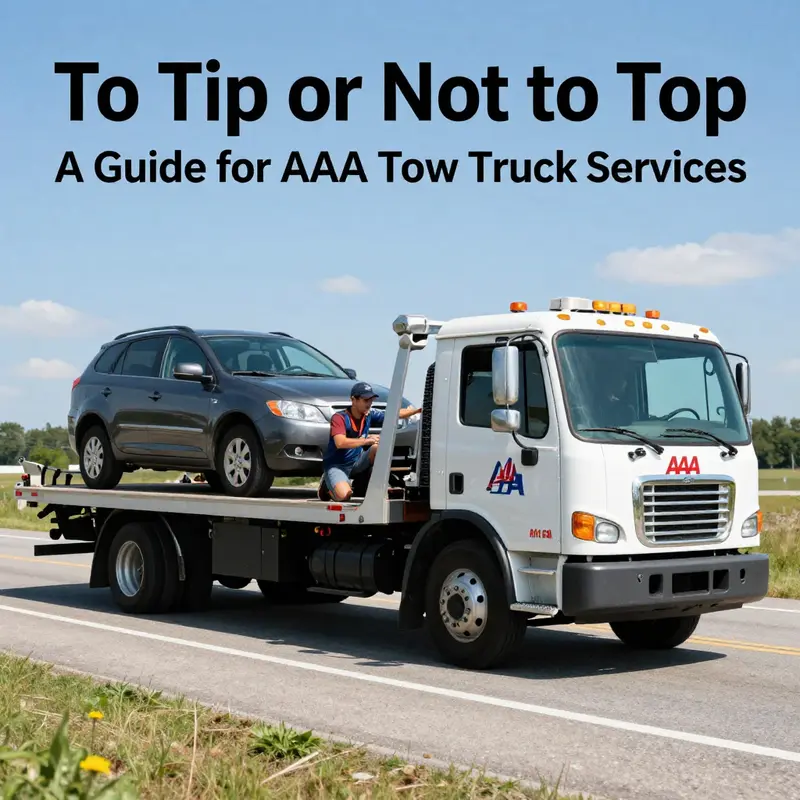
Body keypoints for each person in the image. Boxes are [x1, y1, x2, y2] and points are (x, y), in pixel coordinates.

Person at [318, 381, 422, 501]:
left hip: (357, 462)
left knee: (378, 447)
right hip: (337, 466)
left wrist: (416, 411)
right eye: (365, 400)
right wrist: (365, 441)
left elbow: (393, 414)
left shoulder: (369, 415)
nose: (369, 403)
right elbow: (340, 442)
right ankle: (326, 485)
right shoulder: (339, 418)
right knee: (344, 496)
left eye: (371, 400)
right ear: (354, 400)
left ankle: (369, 486)